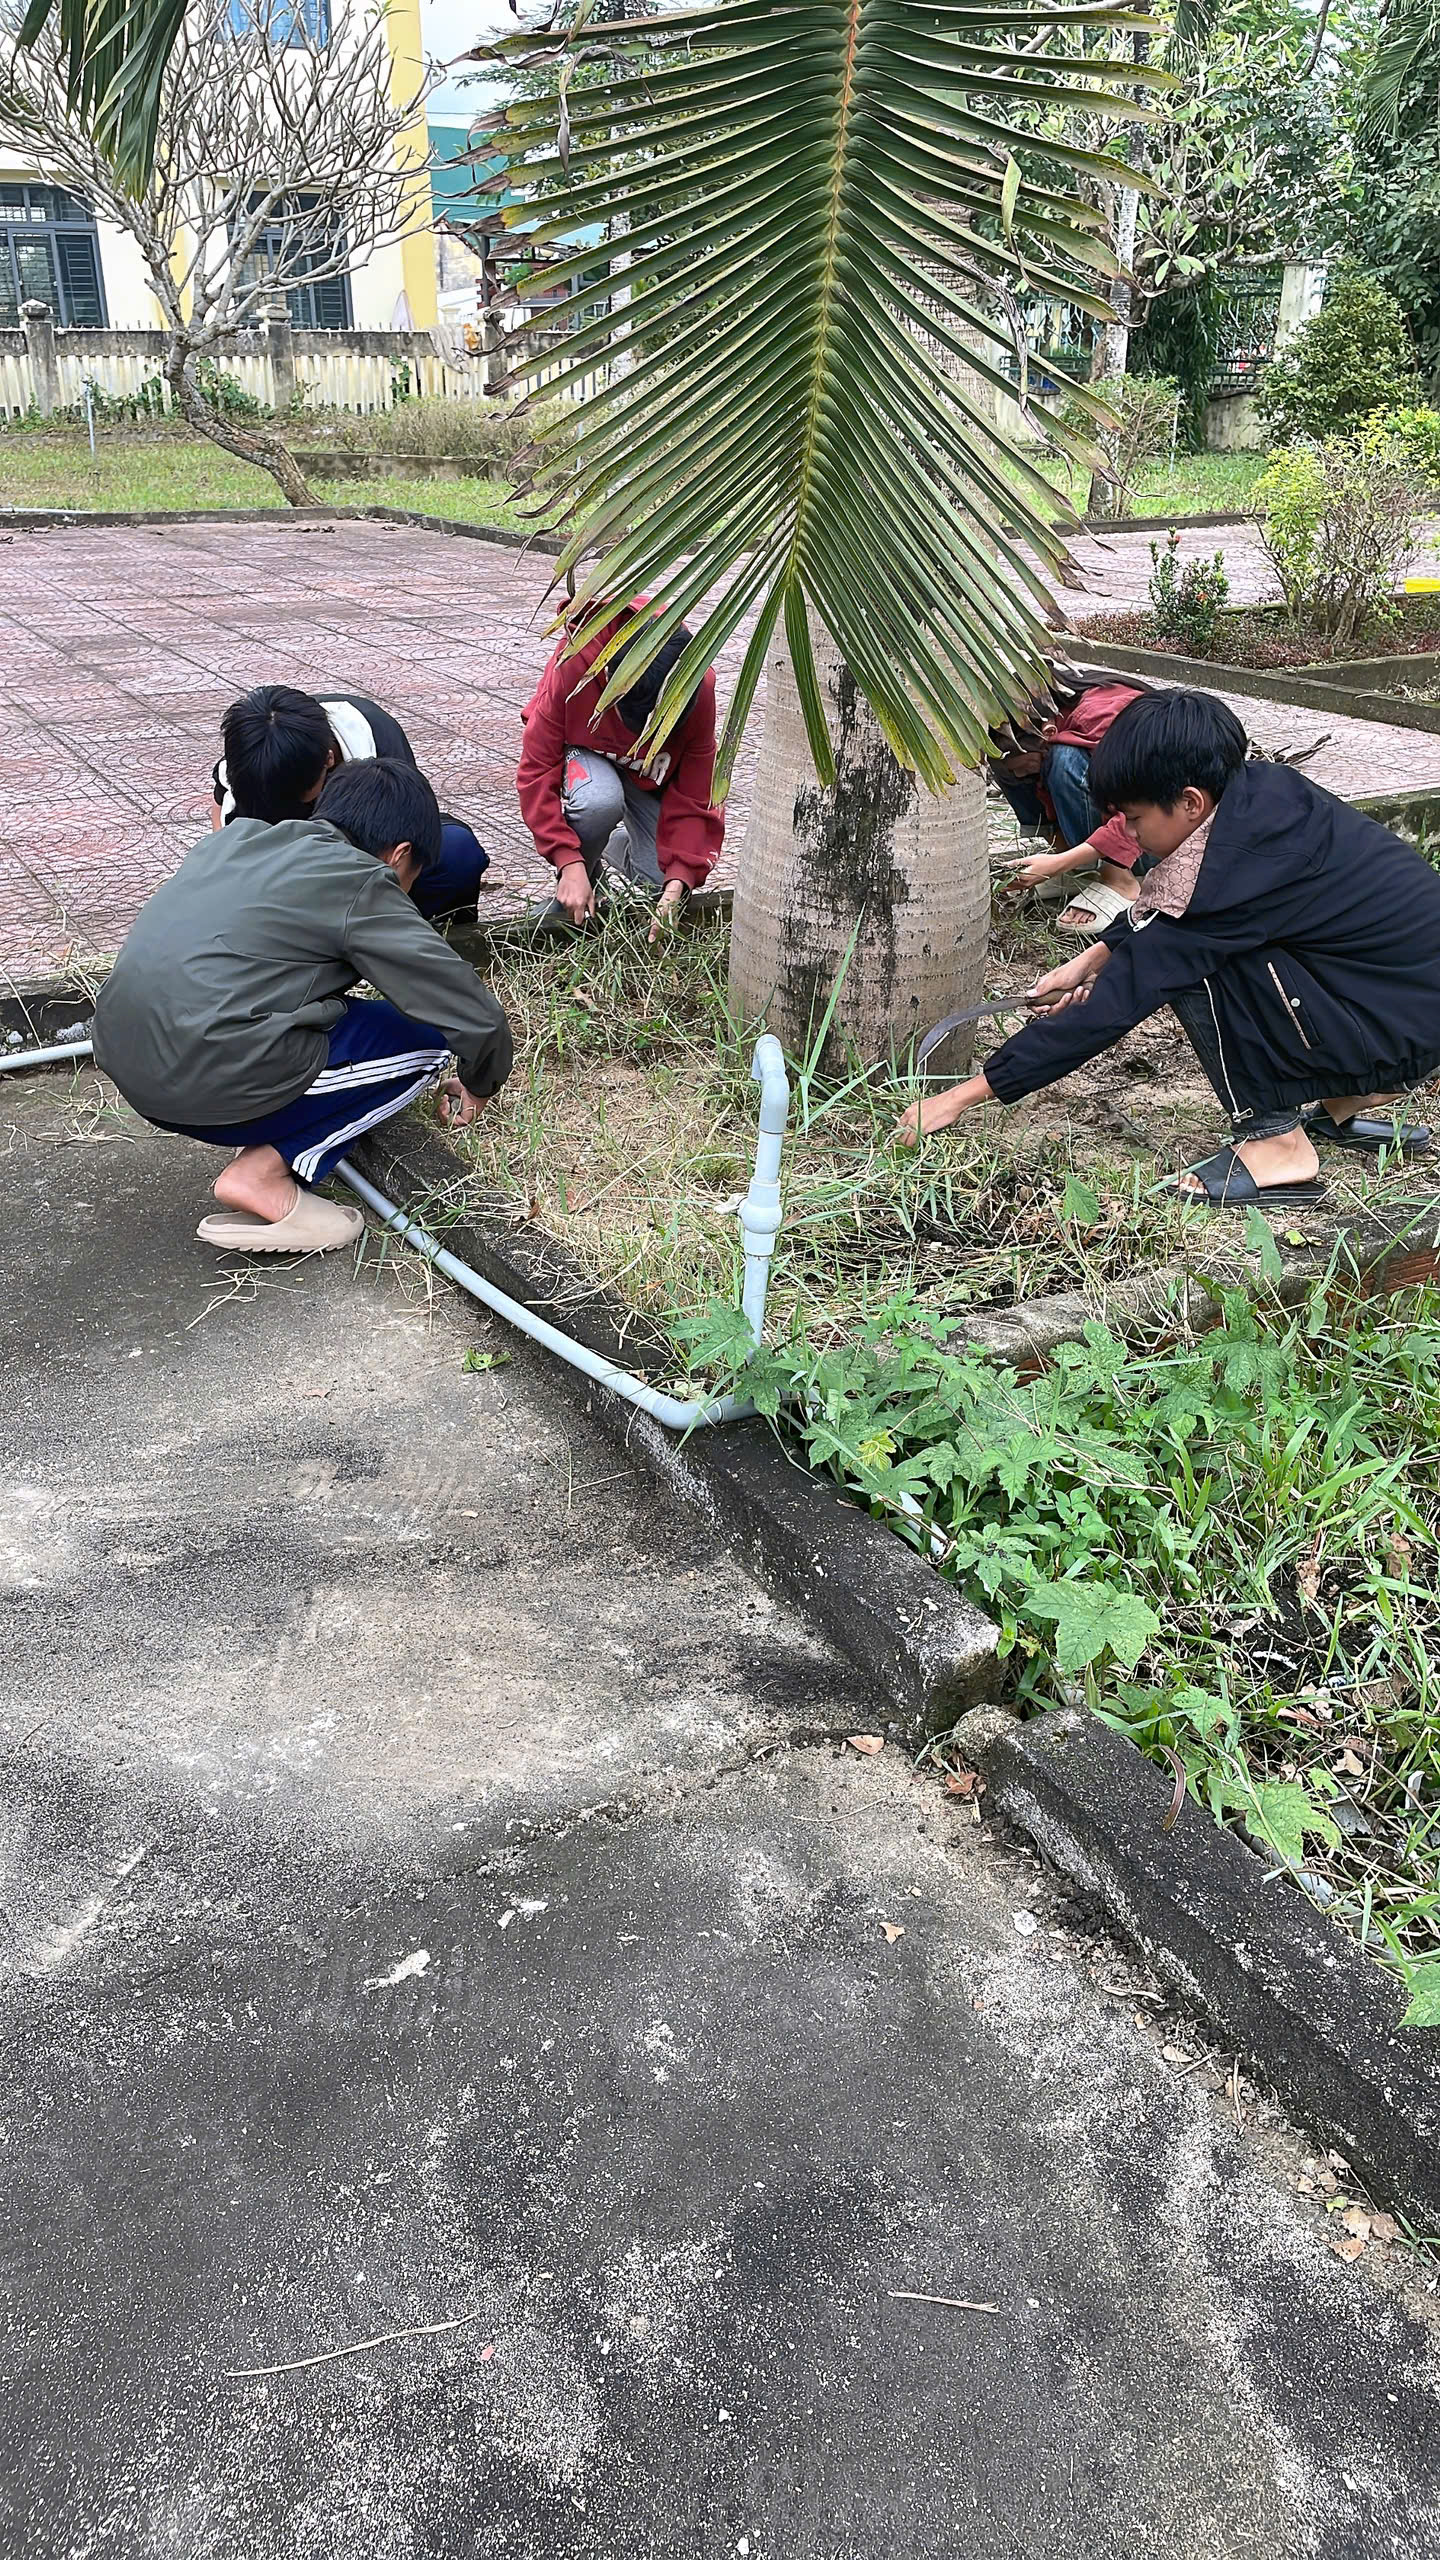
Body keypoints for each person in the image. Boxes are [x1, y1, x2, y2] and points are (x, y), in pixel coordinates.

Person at [897, 689, 1440, 1206]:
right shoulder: (1260, 799)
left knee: (1201, 970)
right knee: (1214, 952)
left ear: (1190, 802)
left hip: (1400, 1031)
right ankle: (1347, 1099)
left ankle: (1277, 1144)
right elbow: (1163, 912)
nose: (1129, 835)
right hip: (1406, 1006)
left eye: (1134, 818)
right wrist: (1087, 960)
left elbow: (1121, 1000)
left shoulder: (1228, 885)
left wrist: (959, 1097)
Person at [93, 760, 513, 1255]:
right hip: (199, 1086)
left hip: (125, 1063)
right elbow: (470, 1013)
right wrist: (480, 1081)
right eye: (413, 876)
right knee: (429, 1043)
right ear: (400, 855)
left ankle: (266, 1130)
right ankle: (264, 1174)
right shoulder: (361, 880)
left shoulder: (235, 840)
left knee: (330, 1012)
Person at [516, 610, 724, 939]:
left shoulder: (699, 686)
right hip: (587, 751)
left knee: (660, 881)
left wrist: (676, 886)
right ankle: (580, 881)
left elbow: (698, 794)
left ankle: (608, 845)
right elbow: (537, 768)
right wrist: (568, 860)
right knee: (599, 801)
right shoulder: (578, 663)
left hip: (645, 772)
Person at [213, 683, 489, 922]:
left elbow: (397, 842)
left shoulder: (373, 738)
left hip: (359, 861)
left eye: (294, 797)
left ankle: (432, 939)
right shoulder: (254, 757)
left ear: (329, 760)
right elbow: (224, 825)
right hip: (285, 879)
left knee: (456, 851)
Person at [990, 665, 1154, 936]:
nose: (1017, 775)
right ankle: (1078, 867)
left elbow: (1147, 806)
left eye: (1015, 758)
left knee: (1064, 759)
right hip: (1125, 823)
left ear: (1046, 730)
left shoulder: (1105, 716)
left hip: (1158, 838)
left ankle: (1120, 879)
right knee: (1018, 766)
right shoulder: (1061, 719)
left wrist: (1057, 864)